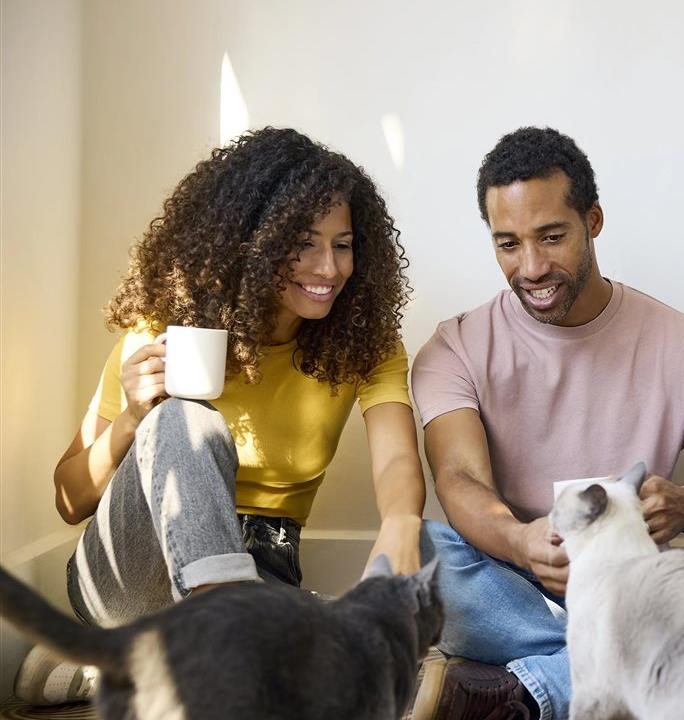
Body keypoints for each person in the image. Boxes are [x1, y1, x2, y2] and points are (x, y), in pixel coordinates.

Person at [411, 127, 684, 720]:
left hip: (647, 585)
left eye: (551, 237)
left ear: (593, 221)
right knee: (424, 554)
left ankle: (529, 688)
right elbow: (458, 482)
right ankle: (668, 662)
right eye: (508, 244)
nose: (531, 266)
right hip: (528, 585)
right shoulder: (455, 346)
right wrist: (523, 544)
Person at [17, 128, 431, 703]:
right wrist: (132, 418)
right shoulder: (164, 333)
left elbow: (396, 462)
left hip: (264, 564)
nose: (328, 267)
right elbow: (68, 501)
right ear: (249, 243)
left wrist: (402, 524)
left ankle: (133, 670)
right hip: (133, 572)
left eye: (343, 244)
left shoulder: (366, 343)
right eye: (303, 243)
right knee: (185, 420)